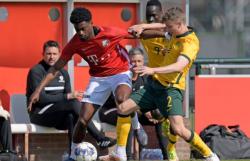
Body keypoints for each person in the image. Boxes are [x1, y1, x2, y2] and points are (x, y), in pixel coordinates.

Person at [102, 7, 220, 161]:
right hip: (154, 85)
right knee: (124, 108)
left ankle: (210, 155)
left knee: (178, 129)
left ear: (179, 24)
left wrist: (152, 69)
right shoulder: (175, 29)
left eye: (170, 28)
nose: (166, 31)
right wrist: (143, 26)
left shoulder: (190, 43)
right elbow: (163, 26)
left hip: (171, 89)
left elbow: (179, 66)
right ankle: (120, 153)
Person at [27, 8, 138, 161]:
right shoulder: (74, 43)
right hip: (98, 79)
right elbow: (56, 67)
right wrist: (38, 90)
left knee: (121, 100)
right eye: (77, 29)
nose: (80, 33)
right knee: (83, 118)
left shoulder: (109, 32)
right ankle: (73, 155)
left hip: (120, 73)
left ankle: (121, 153)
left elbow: (138, 34)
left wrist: (164, 32)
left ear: (91, 24)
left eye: (83, 29)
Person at [26, 40, 116, 156]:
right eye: (48, 54)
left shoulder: (64, 73)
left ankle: (73, 154)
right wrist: (67, 96)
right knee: (73, 103)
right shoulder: (36, 71)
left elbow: (68, 102)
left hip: (57, 116)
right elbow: (41, 99)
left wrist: (68, 97)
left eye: (54, 54)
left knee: (71, 115)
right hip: (40, 114)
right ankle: (99, 138)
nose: (51, 57)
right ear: (43, 54)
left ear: (59, 55)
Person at [99, 47, 168, 160]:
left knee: (159, 119)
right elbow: (121, 102)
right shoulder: (121, 77)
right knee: (128, 114)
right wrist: (142, 110)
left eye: (139, 61)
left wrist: (152, 112)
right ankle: (128, 157)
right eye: (133, 61)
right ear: (128, 62)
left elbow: (152, 98)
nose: (136, 64)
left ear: (143, 62)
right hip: (111, 110)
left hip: (137, 112)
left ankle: (166, 157)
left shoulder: (147, 78)